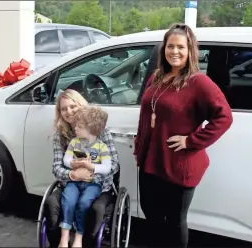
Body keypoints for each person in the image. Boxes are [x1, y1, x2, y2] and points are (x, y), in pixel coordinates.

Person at [134, 23, 233, 248]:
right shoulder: (158, 76)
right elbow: (147, 114)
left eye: (181, 47)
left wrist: (191, 141)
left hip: (178, 166)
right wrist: (140, 144)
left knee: (175, 223)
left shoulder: (199, 82)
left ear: (190, 51)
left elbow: (224, 117)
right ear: (163, 49)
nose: (174, 51)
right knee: (152, 216)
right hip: (151, 162)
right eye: (170, 46)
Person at [44, 89, 120, 248]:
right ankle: (58, 243)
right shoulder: (62, 135)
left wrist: (91, 171)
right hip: (71, 182)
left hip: (99, 184)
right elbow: (57, 168)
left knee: (95, 208)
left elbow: (114, 164)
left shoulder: (99, 130)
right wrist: (72, 174)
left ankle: (83, 243)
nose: (68, 112)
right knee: (51, 203)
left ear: (81, 105)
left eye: (73, 106)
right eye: (63, 109)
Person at [59, 105, 112, 248]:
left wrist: (92, 167)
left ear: (91, 129)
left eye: (79, 126)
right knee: (68, 200)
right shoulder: (74, 143)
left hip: (93, 183)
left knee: (83, 204)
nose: (75, 128)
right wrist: (73, 164)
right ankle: (64, 237)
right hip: (74, 181)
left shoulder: (102, 148)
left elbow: (107, 168)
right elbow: (65, 160)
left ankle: (79, 236)